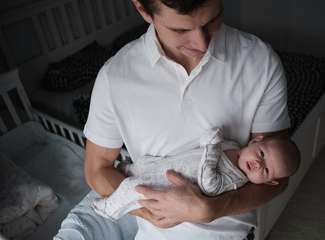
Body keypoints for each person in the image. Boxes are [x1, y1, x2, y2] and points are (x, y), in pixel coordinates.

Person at [71, 0, 299, 239]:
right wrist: (150, 211)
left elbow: (278, 176)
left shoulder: (260, 61)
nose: (202, 43)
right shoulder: (114, 77)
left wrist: (214, 208)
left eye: (212, 20)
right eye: (180, 30)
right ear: (143, 9)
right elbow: (97, 169)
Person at [92, 128, 300, 222]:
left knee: (132, 187)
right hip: (168, 165)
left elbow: (210, 185)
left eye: (265, 169)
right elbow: (197, 151)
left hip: (167, 184)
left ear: (268, 181)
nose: (256, 163)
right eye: (262, 154)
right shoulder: (234, 146)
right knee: (141, 164)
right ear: (255, 141)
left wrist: (211, 148)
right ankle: (126, 172)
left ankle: (109, 209)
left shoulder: (236, 179)